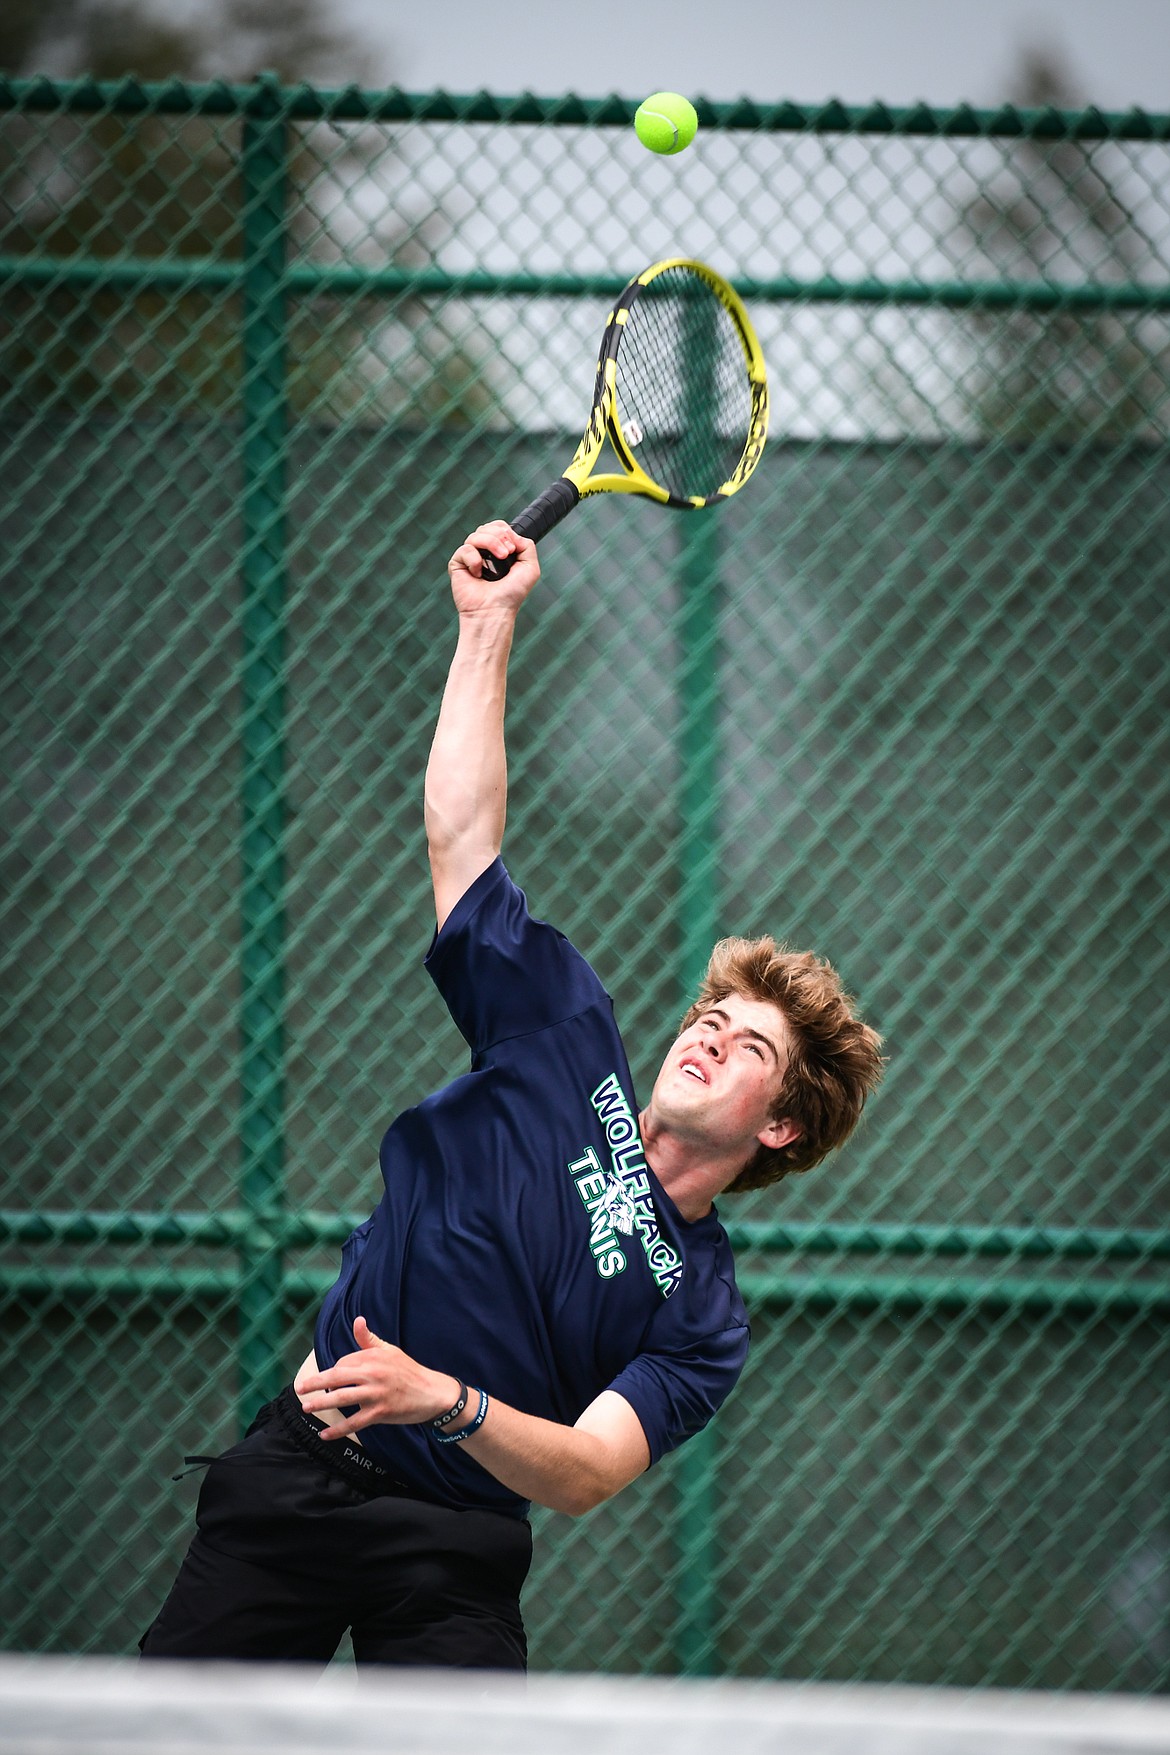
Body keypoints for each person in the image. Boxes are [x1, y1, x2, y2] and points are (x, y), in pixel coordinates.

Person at [140, 519, 884, 1671]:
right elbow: (463, 839)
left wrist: (441, 1400)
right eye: (708, 1016)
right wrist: (486, 626)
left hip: (452, 1543)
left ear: (780, 1125)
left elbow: (588, 1473)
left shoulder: (701, 1313)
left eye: (746, 1048)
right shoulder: (562, 1041)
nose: (707, 1036)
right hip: (298, 1476)